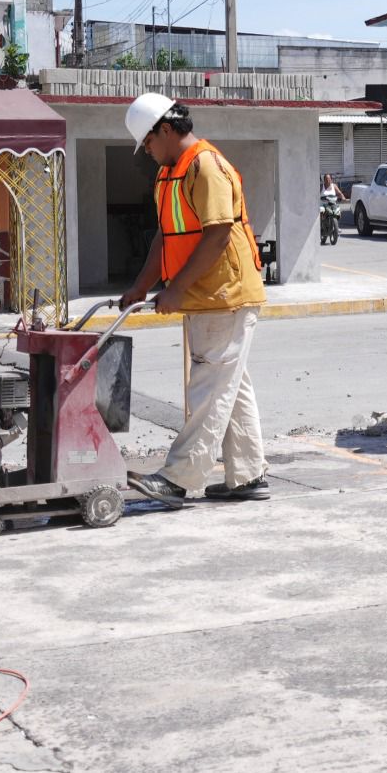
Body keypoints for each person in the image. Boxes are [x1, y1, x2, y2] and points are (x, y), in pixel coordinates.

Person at [119, 93, 271, 506]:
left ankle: (179, 477)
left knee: (209, 386)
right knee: (229, 385)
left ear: (165, 131)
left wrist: (177, 289)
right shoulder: (170, 174)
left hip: (225, 296)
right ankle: (249, 475)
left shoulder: (205, 166)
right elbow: (165, 238)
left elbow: (218, 235)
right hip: (208, 297)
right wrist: (140, 286)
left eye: (148, 144)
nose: (147, 153)